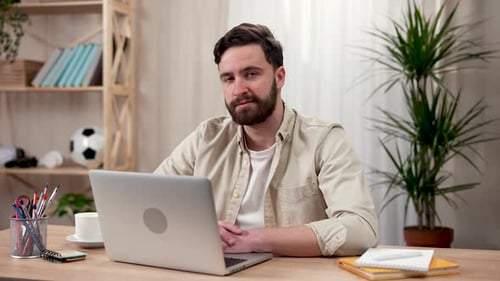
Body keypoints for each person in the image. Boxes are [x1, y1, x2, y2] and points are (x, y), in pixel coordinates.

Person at [154, 23, 378, 257]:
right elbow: (150, 201)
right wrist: (198, 229)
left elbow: (361, 229)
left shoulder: (324, 140)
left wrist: (254, 239)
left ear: (279, 77)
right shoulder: (206, 138)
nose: (238, 89)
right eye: (228, 78)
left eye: (251, 74)